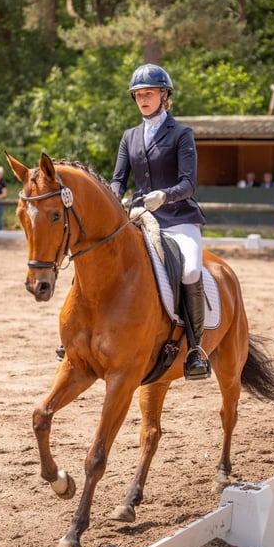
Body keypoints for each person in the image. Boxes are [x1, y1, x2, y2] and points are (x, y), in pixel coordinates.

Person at [110, 63, 210, 380]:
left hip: (179, 218)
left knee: (192, 270)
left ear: (164, 96)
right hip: (141, 218)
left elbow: (188, 184)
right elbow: (118, 180)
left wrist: (165, 196)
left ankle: (195, 349)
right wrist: (115, 201)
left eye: (149, 93)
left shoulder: (181, 134)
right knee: (100, 255)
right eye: (139, 94)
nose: (143, 99)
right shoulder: (129, 137)